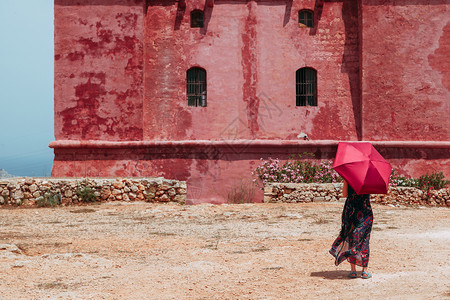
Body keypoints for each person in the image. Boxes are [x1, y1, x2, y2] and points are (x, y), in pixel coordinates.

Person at [329, 180, 373, 279]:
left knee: (351, 238)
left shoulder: (349, 178)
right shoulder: (367, 178)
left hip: (350, 211)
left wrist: (346, 181)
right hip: (365, 210)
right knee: (365, 239)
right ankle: (364, 271)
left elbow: (344, 194)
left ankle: (353, 271)